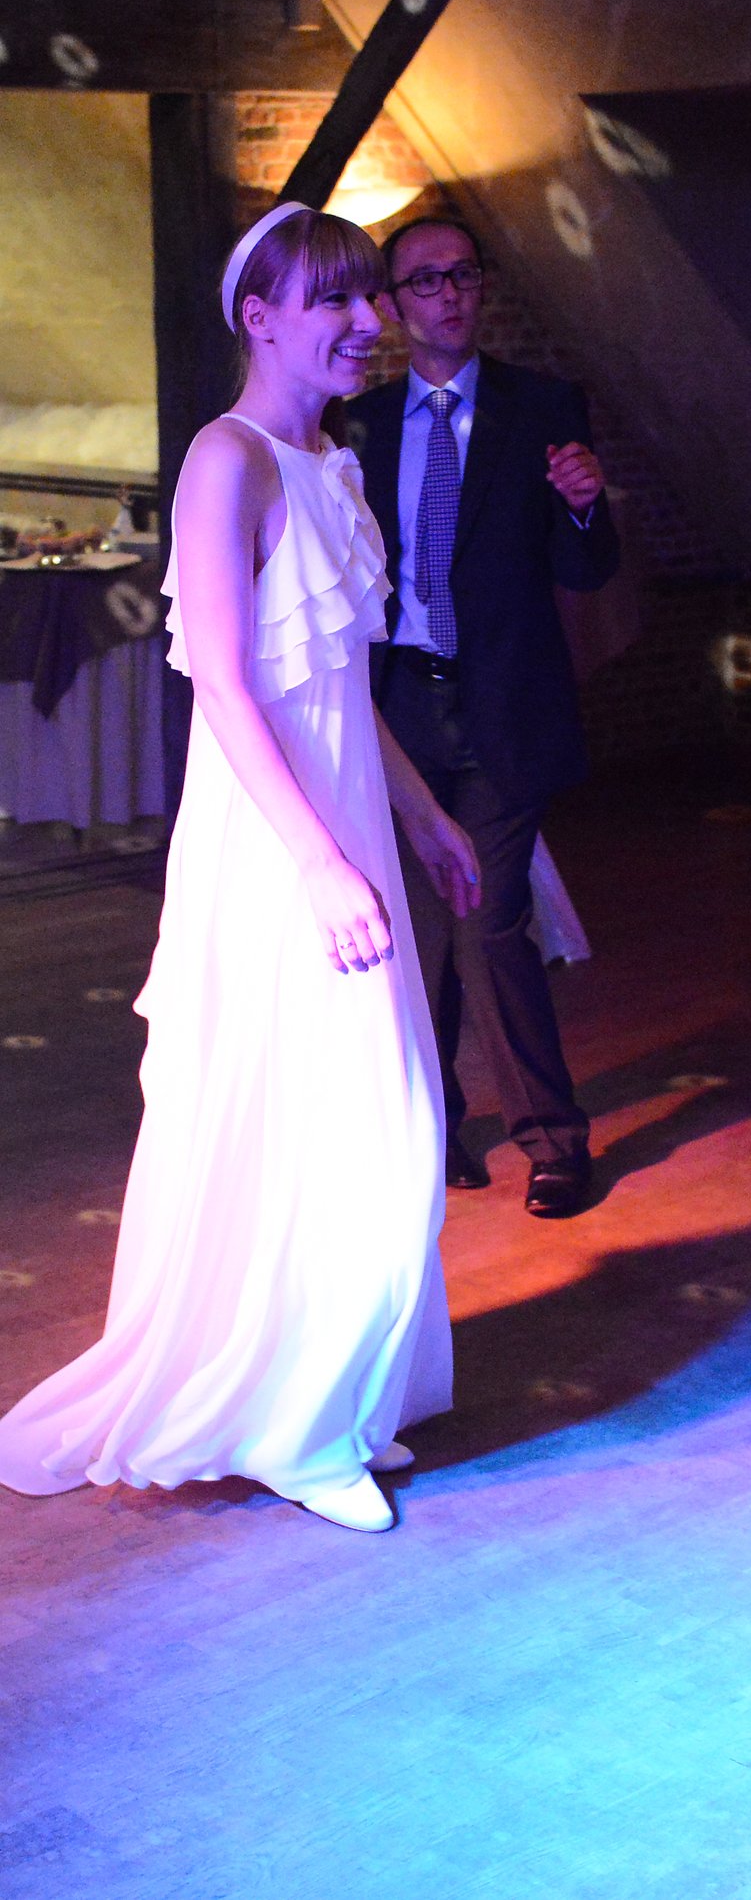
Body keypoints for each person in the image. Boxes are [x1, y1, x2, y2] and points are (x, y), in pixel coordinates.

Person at [0, 203, 480, 1534]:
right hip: (274, 848)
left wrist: (426, 817)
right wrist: (321, 864)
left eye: (368, 298)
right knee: (326, 1123)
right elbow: (223, 679)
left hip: (346, 830)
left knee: (377, 1124)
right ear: (259, 318)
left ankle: (323, 1391)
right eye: (335, 301)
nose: (367, 324)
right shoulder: (230, 460)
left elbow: (337, 681)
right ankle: (290, 1422)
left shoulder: (334, 463)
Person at [345, 215, 620, 1218]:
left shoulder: (543, 406)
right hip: (396, 707)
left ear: (480, 287)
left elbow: (583, 567)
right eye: (424, 281)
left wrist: (586, 503)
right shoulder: (361, 423)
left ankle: (551, 1139)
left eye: (463, 274)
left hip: (501, 706)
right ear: (394, 304)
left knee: (490, 918)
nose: (448, 294)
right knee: (417, 935)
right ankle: (436, 1122)